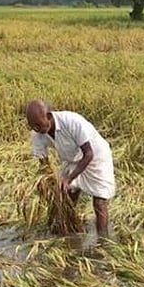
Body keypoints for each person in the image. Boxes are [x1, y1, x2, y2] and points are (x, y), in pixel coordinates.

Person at [25, 100, 116, 240]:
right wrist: (47, 184)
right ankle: (71, 229)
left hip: (96, 157)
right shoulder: (37, 134)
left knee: (99, 201)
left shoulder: (72, 122)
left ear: (48, 116)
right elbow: (44, 164)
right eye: (33, 127)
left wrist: (68, 178)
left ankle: (103, 241)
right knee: (66, 194)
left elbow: (89, 154)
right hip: (73, 159)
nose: (37, 129)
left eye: (38, 125)